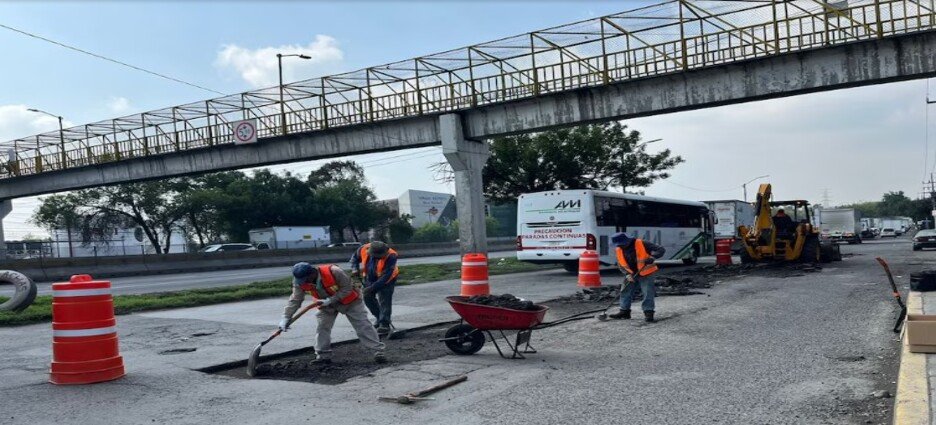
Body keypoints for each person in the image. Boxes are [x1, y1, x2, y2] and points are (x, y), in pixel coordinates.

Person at [279, 262, 386, 364]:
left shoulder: (334, 271)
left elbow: (347, 288)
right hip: (325, 306)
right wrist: (286, 317)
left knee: (363, 325)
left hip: (350, 302)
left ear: (312, 273)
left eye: (305, 279)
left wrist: (331, 299)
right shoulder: (299, 281)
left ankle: (378, 351)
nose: (304, 282)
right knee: (322, 327)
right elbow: (295, 300)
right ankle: (323, 356)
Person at [608, 232, 666, 323]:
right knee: (625, 291)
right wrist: (627, 274)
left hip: (646, 272)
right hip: (631, 273)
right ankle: (624, 312)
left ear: (627, 241)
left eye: (622, 244)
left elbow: (661, 249)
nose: (620, 246)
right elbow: (620, 264)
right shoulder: (619, 249)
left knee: (647, 292)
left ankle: (648, 313)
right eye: (618, 245)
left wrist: (652, 257)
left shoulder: (642, 243)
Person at [349, 241, 399, 335]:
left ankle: (384, 324)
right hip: (369, 277)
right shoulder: (363, 249)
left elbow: (385, 277)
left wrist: (372, 287)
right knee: (367, 297)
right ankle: (379, 317)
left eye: (381, 256)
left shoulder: (391, 256)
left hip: (387, 279)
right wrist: (355, 269)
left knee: (384, 299)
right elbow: (354, 258)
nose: (379, 258)